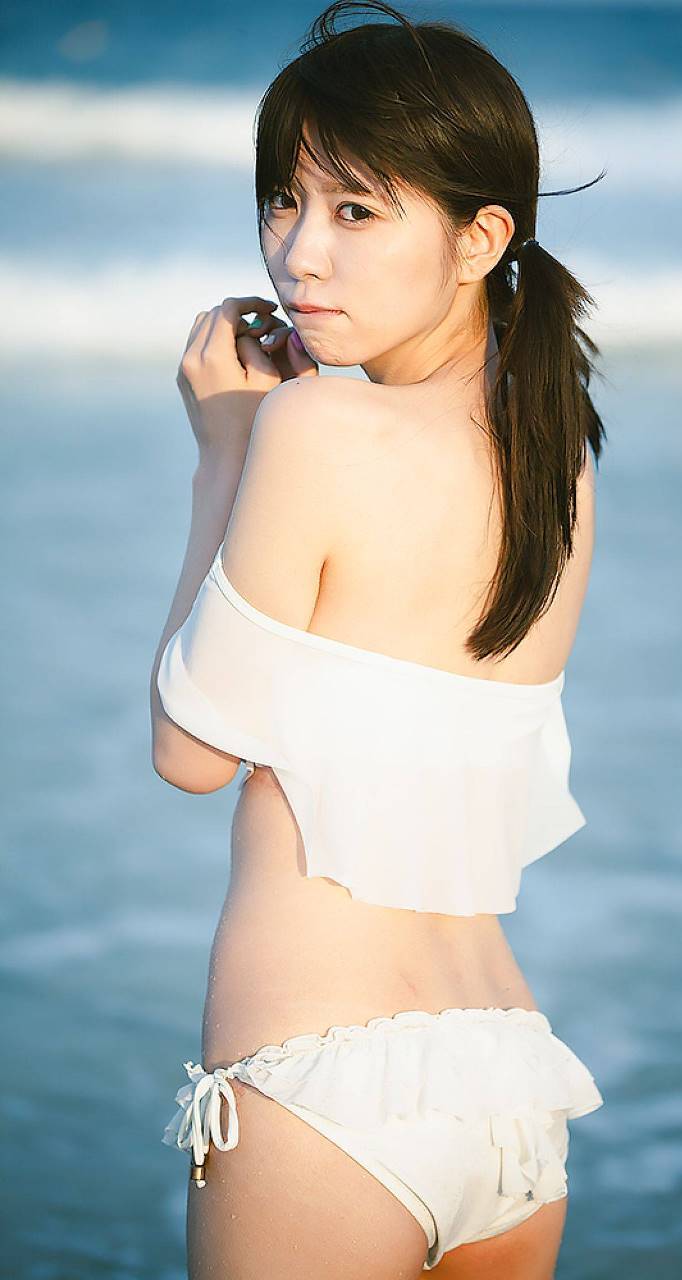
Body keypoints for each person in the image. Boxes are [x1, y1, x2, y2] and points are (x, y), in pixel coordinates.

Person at [150, 2, 608, 1275]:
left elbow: (189, 751)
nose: (299, 252)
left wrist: (226, 447)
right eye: (282, 201)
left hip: (324, 1080)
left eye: (355, 210)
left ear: (478, 238)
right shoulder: (556, 463)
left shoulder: (313, 431)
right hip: (508, 1077)